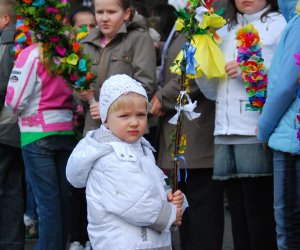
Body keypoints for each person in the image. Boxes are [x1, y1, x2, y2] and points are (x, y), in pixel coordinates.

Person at [196, 0, 286, 249]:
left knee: (260, 214)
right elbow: (213, 92)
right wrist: (201, 69)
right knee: (238, 214)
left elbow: (287, 77)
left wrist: (253, 69)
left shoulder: (281, 25)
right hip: (225, 130)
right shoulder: (223, 30)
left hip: (257, 129)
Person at [66, 74, 187, 249]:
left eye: (140, 115)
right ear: (106, 119)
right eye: (124, 116)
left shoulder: (140, 148)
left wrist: (169, 196)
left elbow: (151, 185)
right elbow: (135, 203)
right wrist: (170, 213)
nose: (134, 122)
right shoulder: (110, 157)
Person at [149, 2, 225, 250]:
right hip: (181, 137)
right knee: (187, 221)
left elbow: (195, 70)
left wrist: (163, 96)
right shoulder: (184, 16)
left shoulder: (205, 14)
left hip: (198, 140)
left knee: (202, 221)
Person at [5, 42, 77, 250]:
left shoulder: (31, 54)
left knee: (47, 202)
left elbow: (15, 100)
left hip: (36, 131)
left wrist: (14, 111)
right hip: (66, 129)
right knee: (62, 199)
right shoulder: (68, 51)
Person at [76, 0, 156, 136]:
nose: (104, 18)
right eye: (99, 12)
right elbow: (76, 83)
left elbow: (145, 86)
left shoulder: (139, 38)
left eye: (112, 12)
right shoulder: (86, 43)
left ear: (126, 13)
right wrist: (79, 94)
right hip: (93, 129)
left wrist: (106, 107)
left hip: (129, 130)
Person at [257, 0, 300, 249]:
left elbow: (285, 85)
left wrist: (264, 129)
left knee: (289, 229)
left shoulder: (297, 24)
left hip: (292, 140)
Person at [68, 7, 97, 250]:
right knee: (76, 185)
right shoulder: (67, 55)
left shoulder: (96, 51)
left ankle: (92, 237)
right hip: (73, 127)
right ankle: (77, 235)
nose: (86, 31)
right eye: (81, 26)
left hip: (95, 124)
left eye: (91, 26)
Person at [0, 0, 25, 249]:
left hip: (3, 126)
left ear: (5, 19)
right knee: (13, 187)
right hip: (17, 127)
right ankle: (12, 242)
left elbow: (2, 84)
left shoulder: (6, 44)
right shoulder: (22, 42)